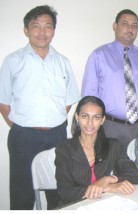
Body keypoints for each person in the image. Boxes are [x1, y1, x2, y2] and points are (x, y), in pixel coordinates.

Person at [0, 5, 80, 210]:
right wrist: (22, 126)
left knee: (59, 192)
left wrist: (52, 122)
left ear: (54, 30)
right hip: (23, 137)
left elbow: (69, 100)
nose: (42, 32)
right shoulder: (12, 61)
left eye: (48, 26)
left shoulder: (63, 62)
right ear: (26, 30)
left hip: (57, 136)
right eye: (36, 26)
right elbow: (4, 102)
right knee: (22, 195)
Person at [81, 9, 138, 151]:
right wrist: (92, 124)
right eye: (125, 24)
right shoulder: (99, 55)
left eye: (134, 25)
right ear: (115, 26)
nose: (130, 29)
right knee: (113, 168)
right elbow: (89, 95)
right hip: (111, 126)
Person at [55, 96, 138, 205]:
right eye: (85, 116)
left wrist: (108, 179)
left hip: (104, 205)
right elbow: (65, 192)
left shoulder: (113, 146)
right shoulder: (64, 148)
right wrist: (104, 188)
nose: (90, 123)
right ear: (77, 117)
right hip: (75, 206)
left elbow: (137, 176)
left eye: (96, 117)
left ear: (102, 120)